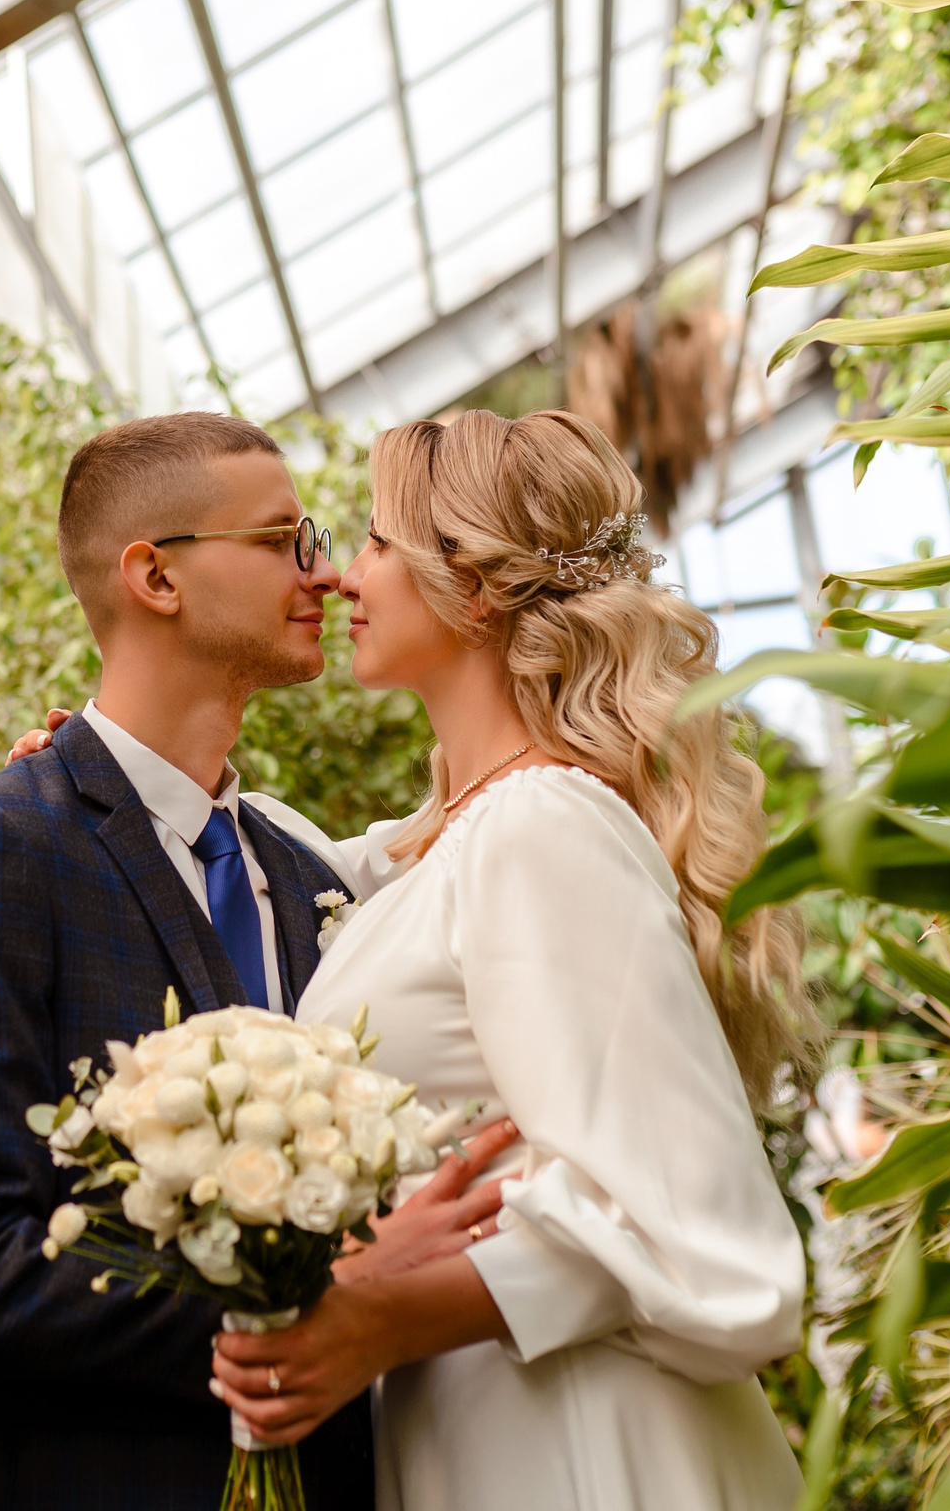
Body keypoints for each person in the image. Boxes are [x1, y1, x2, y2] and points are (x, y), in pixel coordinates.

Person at [0, 412, 510, 1511]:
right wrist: (314, 1300)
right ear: (155, 578)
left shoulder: (307, 870)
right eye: (283, 541)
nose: (323, 577)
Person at [200, 410, 811, 1509]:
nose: (343, 577)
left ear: (471, 587)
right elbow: (263, 848)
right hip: (473, 1427)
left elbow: (699, 1233)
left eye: (378, 541)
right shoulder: (450, 839)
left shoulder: (542, 828)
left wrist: (381, 1318)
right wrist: (97, 763)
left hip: (577, 1438)